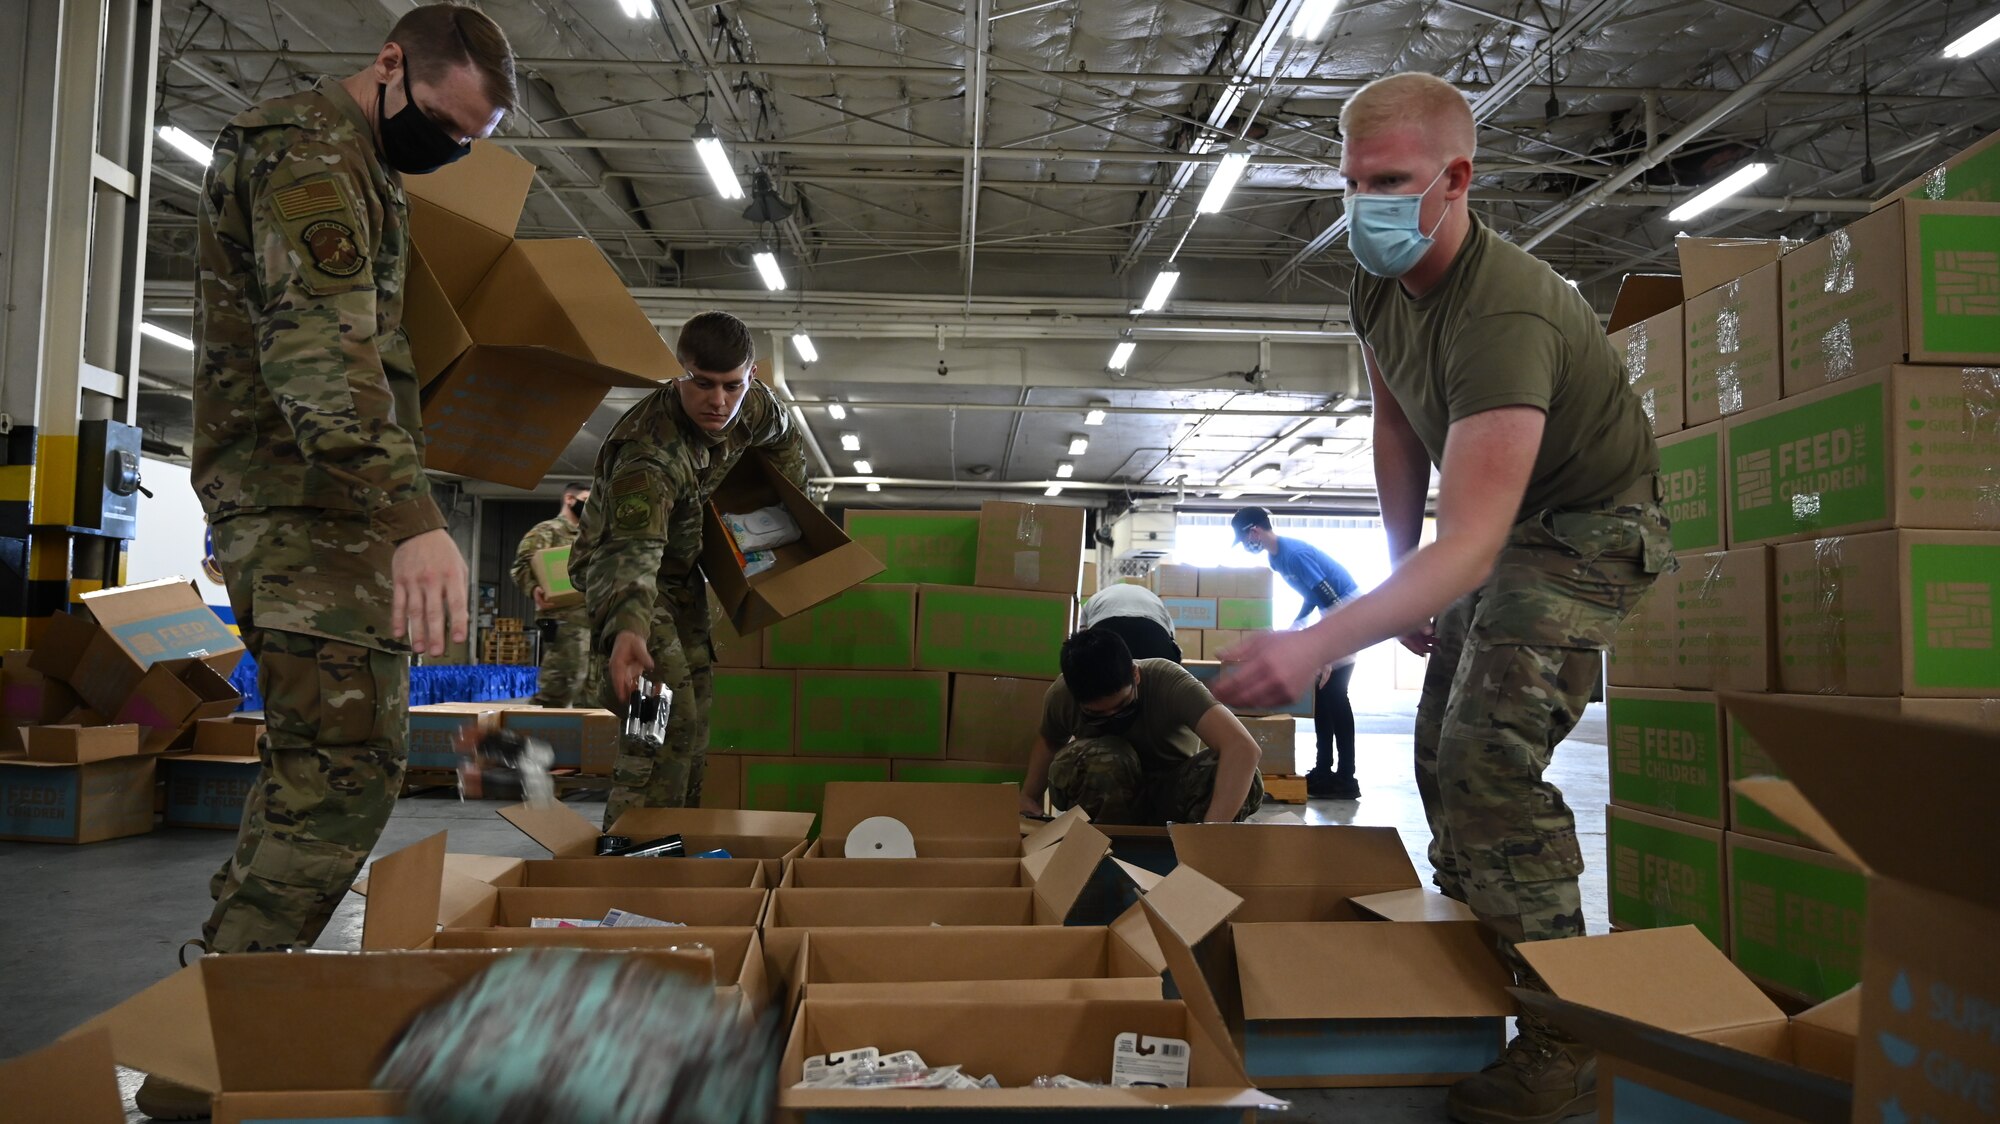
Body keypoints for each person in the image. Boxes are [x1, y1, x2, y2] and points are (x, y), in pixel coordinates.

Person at [1214, 72, 1669, 1124]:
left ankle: (1571, 1035)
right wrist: (1392, 570)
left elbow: (1474, 540)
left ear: (1456, 179)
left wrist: (1318, 641)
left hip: (1585, 526)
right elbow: (1394, 426)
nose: (1361, 203)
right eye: (1348, 181)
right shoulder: (1373, 283)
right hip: (1498, 532)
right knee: (1428, 756)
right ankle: (1484, 968)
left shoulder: (1503, 313)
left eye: (1388, 181)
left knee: (1483, 760)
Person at [160, 4, 517, 1119]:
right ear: (390, 66)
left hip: (326, 504)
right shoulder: (305, 154)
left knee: (321, 774)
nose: (454, 151)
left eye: (472, 142)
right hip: (308, 504)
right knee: (340, 782)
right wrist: (413, 512)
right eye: (446, 126)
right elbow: (317, 347)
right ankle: (199, 1055)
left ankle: (223, 1018)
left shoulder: (366, 168)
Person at [572, 311, 808, 825]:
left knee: (698, 710)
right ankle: (627, 849)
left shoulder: (754, 407)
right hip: (624, 578)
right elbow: (633, 552)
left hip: (680, 574)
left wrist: (785, 510)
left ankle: (676, 836)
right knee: (661, 714)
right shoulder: (649, 453)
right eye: (702, 383)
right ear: (678, 372)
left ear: (749, 378)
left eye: (732, 385)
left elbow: (787, 440)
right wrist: (628, 630)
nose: (718, 401)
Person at [1020, 628, 1263, 826]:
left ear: (1135, 675)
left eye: (1122, 705)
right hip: (1107, 800)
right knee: (1108, 754)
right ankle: (1107, 849)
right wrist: (1029, 798)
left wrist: (1211, 831)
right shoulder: (1061, 695)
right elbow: (1050, 741)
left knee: (1242, 773)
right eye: (1097, 715)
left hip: (1169, 796)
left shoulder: (1170, 681)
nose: (1113, 718)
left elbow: (1241, 747)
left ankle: (1193, 853)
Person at [1229, 508, 1362, 799]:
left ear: (1254, 531)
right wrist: (1295, 626)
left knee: (1335, 693)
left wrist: (1327, 651)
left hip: (1347, 611)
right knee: (1323, 696)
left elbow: (1331, 598)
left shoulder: (1294, 553)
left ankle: (1346, 777)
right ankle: (1324, 770)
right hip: (1332, 612)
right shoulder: (1276, 559)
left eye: (1244, 538)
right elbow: (1311, 597)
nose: (1246, 545)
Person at [511, 482, 600, 708]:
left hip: (594, 620)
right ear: (570, 499)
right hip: (564, 620)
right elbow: (521, 565)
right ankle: (532, 735)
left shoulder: (593, 535)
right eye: (587, 498)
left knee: (594, 692)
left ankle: (590, 739)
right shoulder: (547, 531)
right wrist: (533, 588)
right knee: (560, 685)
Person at [1077, 582, 1184, 662]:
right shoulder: (1153, 598)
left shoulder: (1094, 599)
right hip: (1153, 634)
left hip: (1107, 632)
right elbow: (1171, 636)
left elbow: (1081, 635)